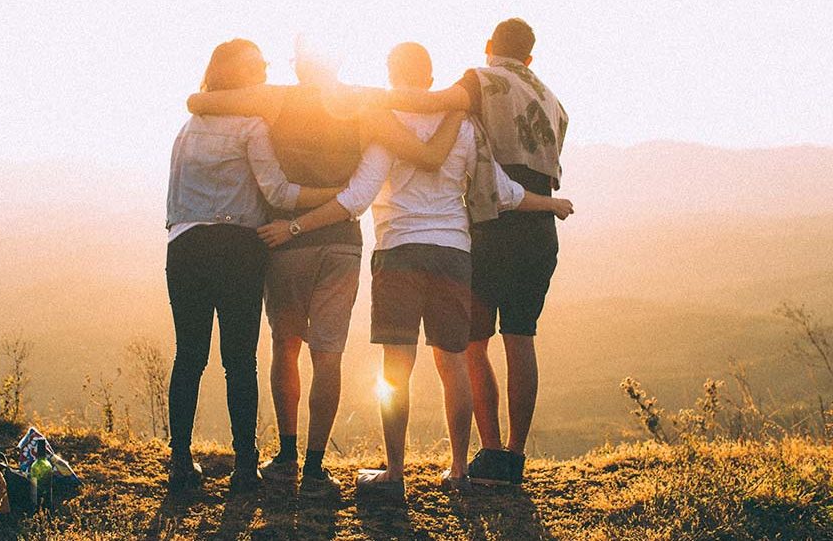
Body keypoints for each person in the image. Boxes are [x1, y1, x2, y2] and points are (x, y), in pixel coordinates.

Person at [258, 42, 573, 497]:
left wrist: (295, 226)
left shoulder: (386, 123)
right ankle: (460, 470)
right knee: (453, 365)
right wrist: (551, 204)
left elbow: (358, 197)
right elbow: (502, 191)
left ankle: (395, 473)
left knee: (396, 369)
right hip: (454, 254)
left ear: (392, 74)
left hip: (399, 252)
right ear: (430, 79)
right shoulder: (464, 125)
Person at [186, 39, 463, 496]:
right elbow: (417, 140)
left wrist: (198, 98)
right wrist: (458, 105)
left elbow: (203, 101)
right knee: (328, 354)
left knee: (285, 346)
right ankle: (315, 469)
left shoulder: (276, 98)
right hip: (342, 243)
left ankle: (286, 456)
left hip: (285, 242)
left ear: (299, 65)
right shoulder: (363, 102)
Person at [383, 18, 570, 486]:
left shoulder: (480, 79)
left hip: (491, 222)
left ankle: (486, 452)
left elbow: (430, 103)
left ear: (490, 46)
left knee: (473, 342)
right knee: (522, 338)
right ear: (530, 57)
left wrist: (367, 100)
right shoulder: (552, 100)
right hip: (539, 225)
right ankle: (514, 456)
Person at [165, 39, 341, 494]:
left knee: (189, 356)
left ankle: (180, 463)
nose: (265, 70)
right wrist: (335, 196)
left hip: (184, 246)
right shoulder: (252, 125)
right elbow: (279, 194)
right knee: (239, 361)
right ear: (240, 76)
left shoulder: (189, 126)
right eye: (257, 65)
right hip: (238, 248)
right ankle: (245, 467)